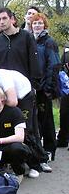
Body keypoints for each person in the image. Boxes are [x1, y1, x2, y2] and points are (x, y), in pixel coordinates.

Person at [0, 57, 52, 175]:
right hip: (4, 100)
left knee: (28, 130)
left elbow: (13, 102)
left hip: (23, 95)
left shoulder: (2, 78)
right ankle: (11, 159)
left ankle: (37, 163)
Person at [31, 12, 61, 160]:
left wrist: (49, 87)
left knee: (46, 119)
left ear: (45, 25)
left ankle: (50, 149)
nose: (37, 25)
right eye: (34, 23)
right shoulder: (31, 40)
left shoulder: (49, 42)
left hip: (44, 88)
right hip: (33, 86)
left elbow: (54, 65)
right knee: (35, 119)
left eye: (39, 23)